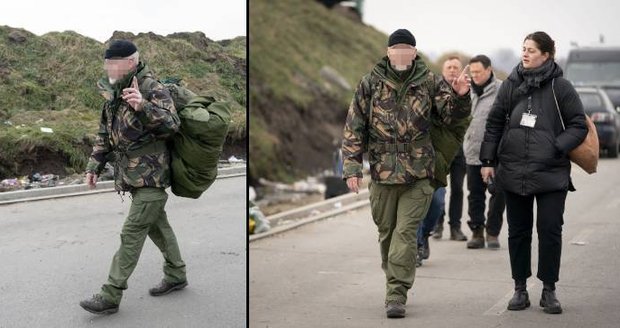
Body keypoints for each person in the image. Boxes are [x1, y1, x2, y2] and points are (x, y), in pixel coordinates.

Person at [341, 29, 471, 318]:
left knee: (405, 233)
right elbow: (354, 126)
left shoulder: (430, 82)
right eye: (395, 49)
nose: (400, 54)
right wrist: (351, 167)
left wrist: (461, 97)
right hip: (382, 173)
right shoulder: (370, 83)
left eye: (406, 49)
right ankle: (394, 279)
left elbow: (451, 117)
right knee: (387, 233)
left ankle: (396, 293)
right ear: (388, 52)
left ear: (414, 52)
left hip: (418, 174)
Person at [480, 31, 587, 314]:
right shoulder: (511, 85)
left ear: (546, 55)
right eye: (523, 49)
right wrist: (487, 161)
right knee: (518, 232)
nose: (524, 54)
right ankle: (520, 288)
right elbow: (493, 124)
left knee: (550, 231)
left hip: (551, 173)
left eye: (531, 50)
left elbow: (578, 124)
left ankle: (549, 290)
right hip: (514, 171)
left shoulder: (560, 87)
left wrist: (557, 146)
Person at [79, 40, 187, 314]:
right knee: (157, 226)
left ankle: (110, 294)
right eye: (105, 63)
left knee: (132, 232)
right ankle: (176, 275)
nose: (107, 67)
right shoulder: (113, 92)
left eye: (111, 62)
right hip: (132, 175)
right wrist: (94, 166)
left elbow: (172, 125)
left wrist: (143, 107)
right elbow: (105, 134)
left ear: (130, 62)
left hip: (152, 175)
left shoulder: (152, 87)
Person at [463, 55, 506, 249]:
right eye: (472, 72)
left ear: (489, 70)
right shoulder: (468, 89)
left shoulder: (502, 89)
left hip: (496, 154)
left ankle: (492, 232)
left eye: (478, 72)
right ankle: (477, 232)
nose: (475, 76)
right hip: (472, 151)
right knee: (475, 195)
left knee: (498, 194)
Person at [432, 56, 468, 242]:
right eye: (449, 67)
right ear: (443, 70)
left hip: (459, 150)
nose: (453, 70)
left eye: (456, 67)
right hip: (439, 149)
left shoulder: (466, 89)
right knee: (438, 189)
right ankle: (437, 225)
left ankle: (456, 227)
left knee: (458, 189)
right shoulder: (434, 88)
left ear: (461, 70)